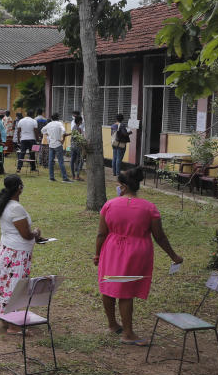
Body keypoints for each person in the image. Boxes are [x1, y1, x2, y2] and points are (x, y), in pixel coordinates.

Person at [96, 167, 183, 345]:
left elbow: (101, 234)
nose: (117, 188)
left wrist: (97, 254)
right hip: (136, 252)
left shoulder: (109, 205)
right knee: (125, 292)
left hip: (112, 249)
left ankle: (113, 325)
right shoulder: (149, 208)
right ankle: (127, 333)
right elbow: (159, 236)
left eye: (119, 185)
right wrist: (174, 256)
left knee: (108, 285)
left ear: (124, 187)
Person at [0, 175, 42, 333]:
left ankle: (5, 317)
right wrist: (36, 233)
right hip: (17, 253)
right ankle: (14, 326)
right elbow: (26, 234)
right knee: (16, 286)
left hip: (9, 249)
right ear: (19, 188)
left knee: (6, 283)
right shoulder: (15, 208)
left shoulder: (4, 203)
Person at [42, 112, 71, 182]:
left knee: (51, 161)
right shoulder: (59, 123)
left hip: (51, 145)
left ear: (51, 118)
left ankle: (51, 177)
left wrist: (48, 135)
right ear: (58, 118)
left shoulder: (49, 124)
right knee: (61, 161)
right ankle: (64, 178)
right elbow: (63, 131)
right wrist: (63, 139)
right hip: (58, 144)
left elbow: (42, 130)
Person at [71, 115, 85, 181]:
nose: (82, 122)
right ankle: (77, 175)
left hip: (72, 146)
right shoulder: (78, 129)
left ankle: (73, 175)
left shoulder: (73, 127)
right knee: (81, 160)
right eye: (81, 121)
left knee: (72, 160)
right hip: (78, 146)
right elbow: (80, 138)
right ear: (79, 121)